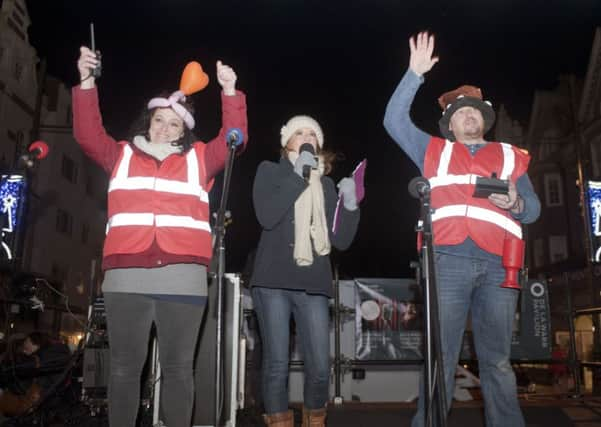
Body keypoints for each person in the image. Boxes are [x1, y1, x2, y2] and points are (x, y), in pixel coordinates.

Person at [73, 46, 247, 427]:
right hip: (125, 277)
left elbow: (234, 140)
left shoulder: (199, 158)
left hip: (183, 280)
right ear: (147, 121)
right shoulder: (118, 154)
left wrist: (230, 93)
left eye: (174, 124)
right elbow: (87, 134)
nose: (165, 128)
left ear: (184, 131)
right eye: (159, 120)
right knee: (122, 370)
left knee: (179, 370)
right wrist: (87, 81)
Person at [383, 32, 541, 427]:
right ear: (449, 123)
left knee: (498, 361)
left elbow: (534, 210)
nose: (468, 115)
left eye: (474, 111)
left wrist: (517, 203)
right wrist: (413, 75)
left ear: (484, 120)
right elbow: (392, 120)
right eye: (460, 111)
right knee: (440, 356)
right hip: (446, 261)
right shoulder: (430, 149)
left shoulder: (510, 156)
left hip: (498, 268)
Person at [250, 115, 361, 427]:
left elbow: (341, 239)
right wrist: (298, 177)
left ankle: (315, 420)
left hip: (313, 282)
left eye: (312, 132)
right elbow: (268, 216)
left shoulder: (325, 184)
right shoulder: (269, 171)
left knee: (318, 368)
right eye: (298, 132)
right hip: (272, 281)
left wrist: (350, 206)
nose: (306, 135)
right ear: (287, 142)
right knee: (276, 365)